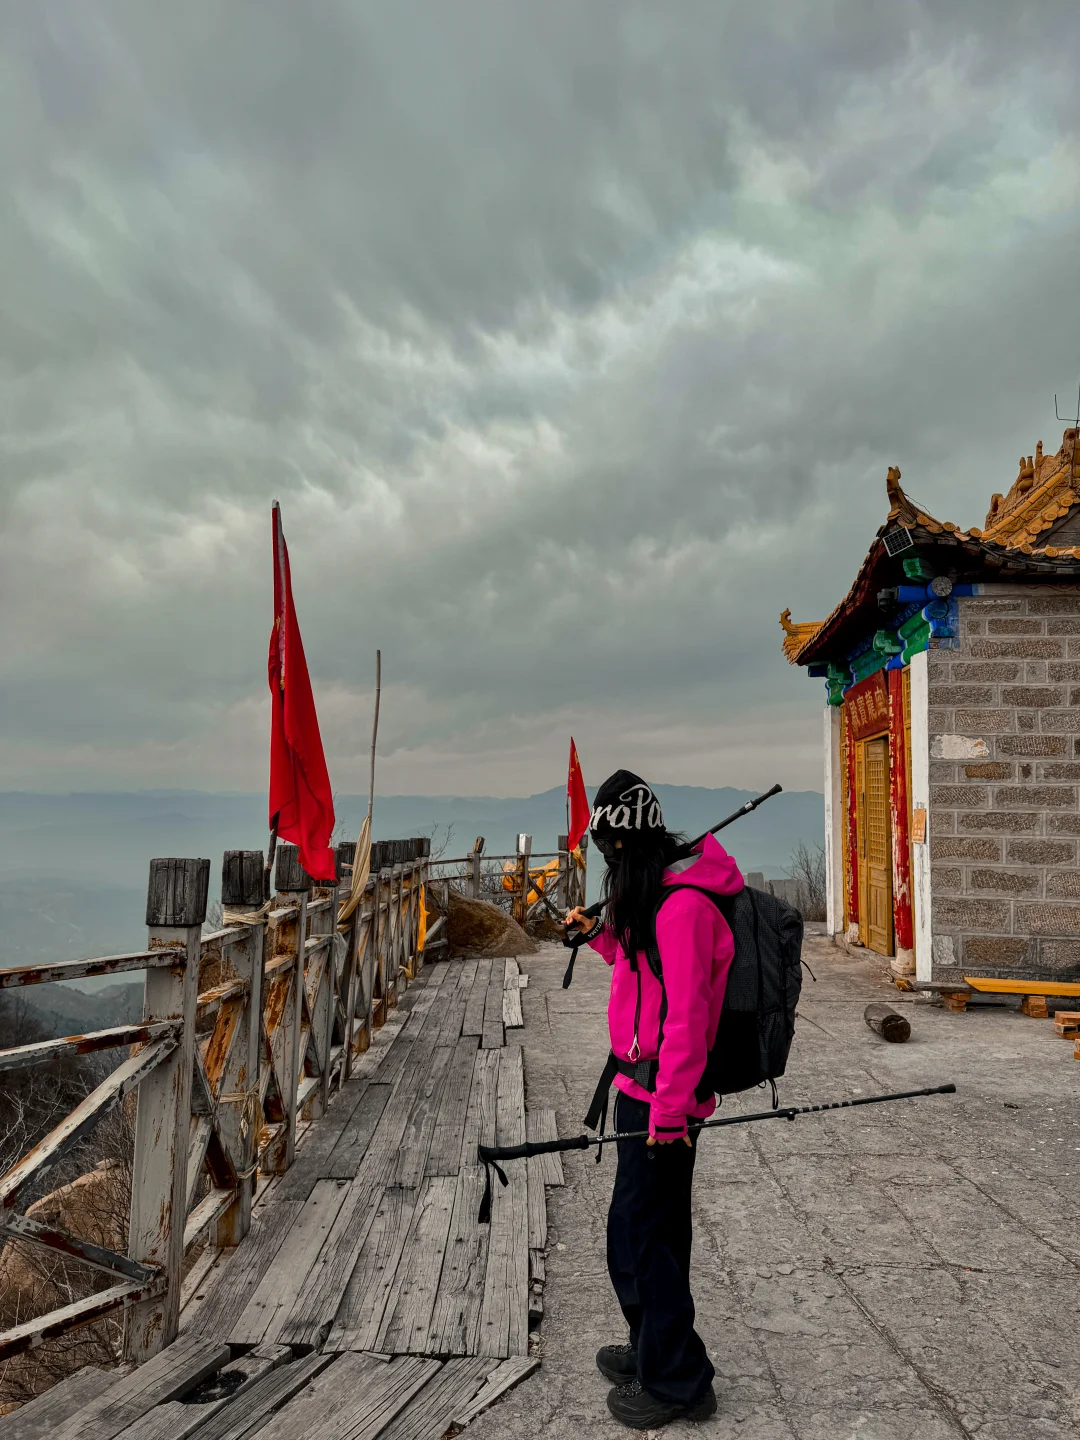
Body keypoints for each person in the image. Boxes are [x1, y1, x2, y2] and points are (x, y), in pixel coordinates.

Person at [566, 768, 742, 1429]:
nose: (607, 869)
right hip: (637, 1086)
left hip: (665, 1098)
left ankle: (680, 1383)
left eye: (610, 854)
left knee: (650, 1238)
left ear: (631, 848)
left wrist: (669, 1113)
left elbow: (688, 1019)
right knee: (637, 1233)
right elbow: (641, 968)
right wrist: (599, 933)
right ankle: (651, 1346)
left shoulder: (686, 907)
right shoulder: (658, 897)